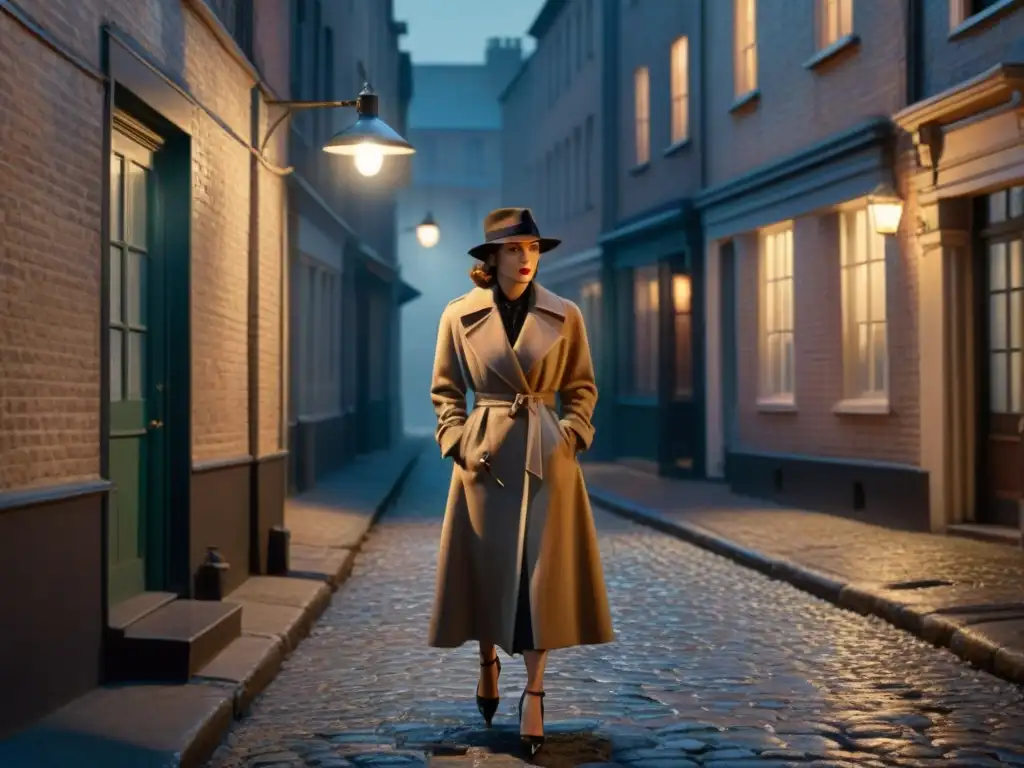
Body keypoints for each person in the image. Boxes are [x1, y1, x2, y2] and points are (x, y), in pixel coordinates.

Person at [427, 207, 615, 757]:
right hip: (484, 456)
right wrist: (460, 442)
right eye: (514, 249)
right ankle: (487, 659)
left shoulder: (566, 314)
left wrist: (572, 436)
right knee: (489, 569)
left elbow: (582, 387)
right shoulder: (457, 315)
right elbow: (444, 391)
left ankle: (533, 691)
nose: (526, 259)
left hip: (545, 454)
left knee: (541, 582)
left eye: (533, 248)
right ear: (492, 257)